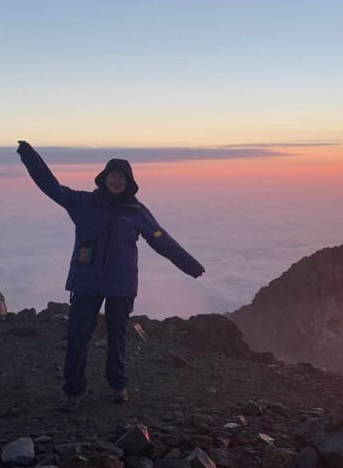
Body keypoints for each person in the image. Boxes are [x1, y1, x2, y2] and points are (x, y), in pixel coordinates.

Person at [16, 141, 204, 412]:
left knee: (118, 337)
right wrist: (29, 156)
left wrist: (191, 266)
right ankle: (73, 390)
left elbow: (161, 239)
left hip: (121, 284)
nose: (116, 181)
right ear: (103, 179)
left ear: (129, 183)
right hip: (86, 283)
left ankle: (118, 386)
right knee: (78, 335)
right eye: (112, 176)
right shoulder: (82, 203)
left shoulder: (137, 211)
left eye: (121, 178)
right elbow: (51, 186)